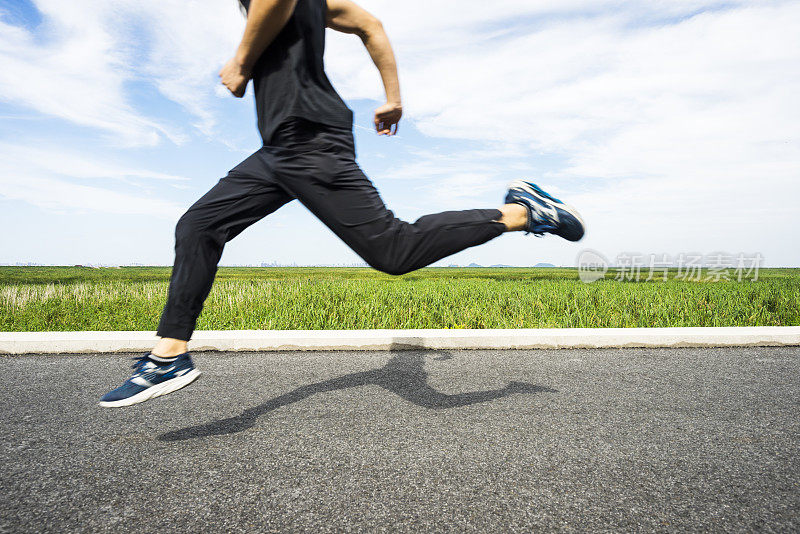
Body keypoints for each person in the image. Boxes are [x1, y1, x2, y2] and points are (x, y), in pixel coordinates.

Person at [99, 0, 585, 408]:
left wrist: (242, 61)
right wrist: (393, 99)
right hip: (281, 148)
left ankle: (523, 212)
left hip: (308, 139)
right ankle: (169, 355)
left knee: (394, 250)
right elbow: (369, 24)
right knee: (199, 226)